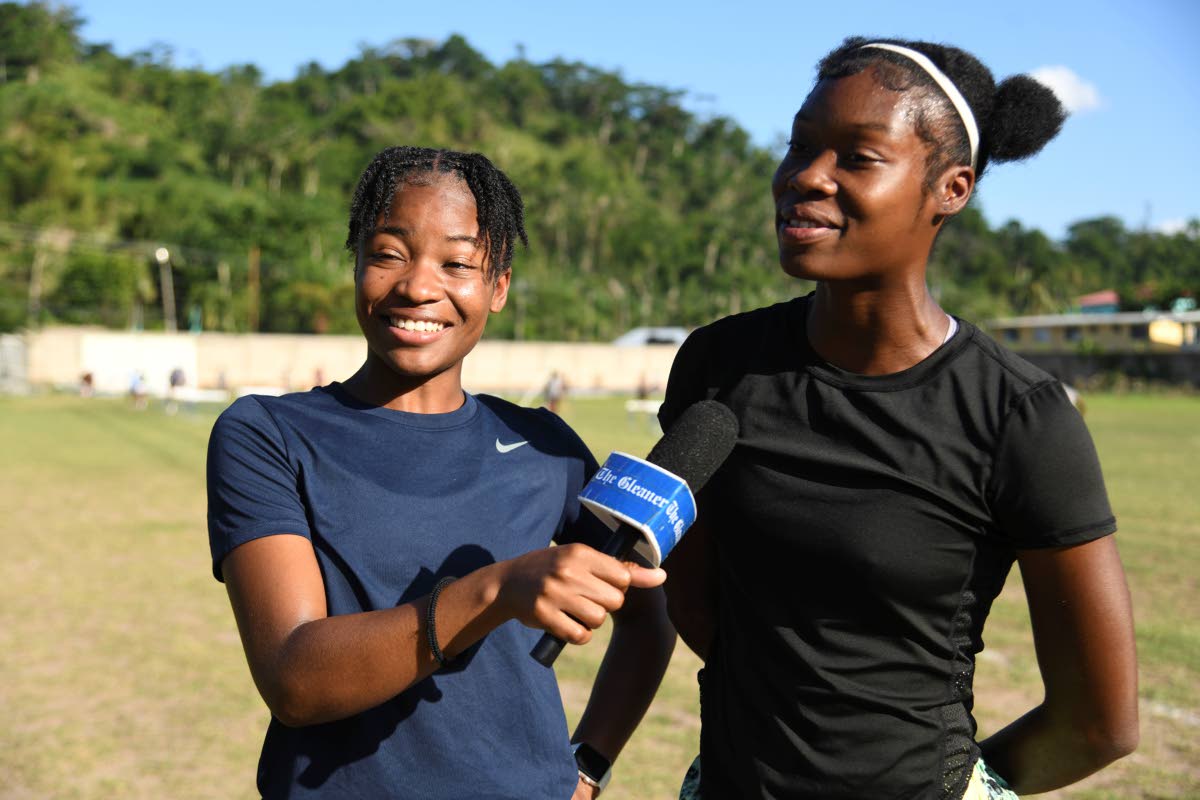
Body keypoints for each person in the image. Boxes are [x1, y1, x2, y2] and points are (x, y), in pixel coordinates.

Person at [660, 38, 1138, 800]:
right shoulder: (721, 365)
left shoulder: (1017, 416)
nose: (807, 177)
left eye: (858, 157)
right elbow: (694, 602)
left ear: (951, 188)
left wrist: (947, 784)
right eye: (802, 145)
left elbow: (1100, 722)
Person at [207, 146, 675, 799]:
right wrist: (495, 591)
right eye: (389, 254)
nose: (417, 285)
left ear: (499, 287)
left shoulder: (546, 446)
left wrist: (589, 764)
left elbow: (650, 617)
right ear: (357, 266)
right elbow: (296, 680)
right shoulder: (268, 435)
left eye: (457, 263)